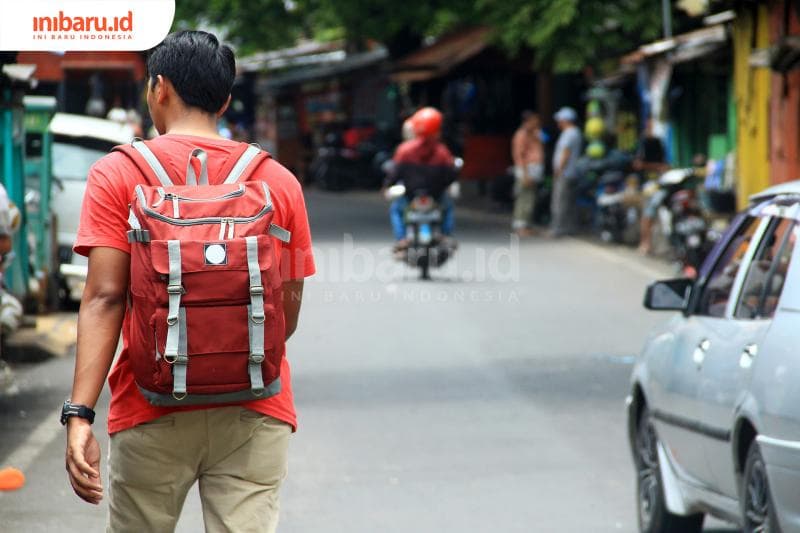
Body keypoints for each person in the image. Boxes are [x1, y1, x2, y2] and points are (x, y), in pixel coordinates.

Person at [63, 31, 315, 533]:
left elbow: (105, 298)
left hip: (150, 407)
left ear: (159, 88)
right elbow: (286, 314)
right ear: (224, 99)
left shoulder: (118, 175)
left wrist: (80, 413)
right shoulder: (277, 181)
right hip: (255, 408)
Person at [386, 107, 457, 249]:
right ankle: (445, 235)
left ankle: (401, 239)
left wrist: (387, 185)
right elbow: (451, 175)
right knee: (448, 207)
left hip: (411, 195)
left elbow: (394, 173)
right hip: (436, 196)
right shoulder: (442, 151)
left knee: (396, 209)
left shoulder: (405, 150)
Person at [549, 107, 583, 237]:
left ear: (566, 120)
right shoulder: (575, 132)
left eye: (560, 120)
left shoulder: (570, 133)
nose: (558, 122)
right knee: (568, 201)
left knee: (560, 201)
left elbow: (566, 153)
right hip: (570, 172)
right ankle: (569, 228)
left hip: (565, 173)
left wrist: (559, 170)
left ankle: (558, 228)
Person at [511, 111, 544, 236]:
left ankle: (527, 225)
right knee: (523, 198)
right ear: (527, 121)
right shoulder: (521, 135)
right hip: (526, 170)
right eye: (534, 121)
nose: (537, 123)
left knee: (530, 199)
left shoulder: (535, 134)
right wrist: (525, 174)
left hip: (533, 170)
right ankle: (520, 226)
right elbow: (520, 155)